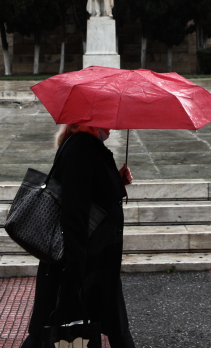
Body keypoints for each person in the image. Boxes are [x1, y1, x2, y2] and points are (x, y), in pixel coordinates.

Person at [20, 124, 135, 348]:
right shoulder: (82, 147)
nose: (112, 123)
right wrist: (73, 276)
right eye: (106, 116)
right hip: (82, 265)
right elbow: (74, 213)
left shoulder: (84, 145)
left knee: (117, 330)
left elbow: (90, 196)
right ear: (90, 118)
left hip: (93, 262)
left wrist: (117, 183)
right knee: (49, 334)